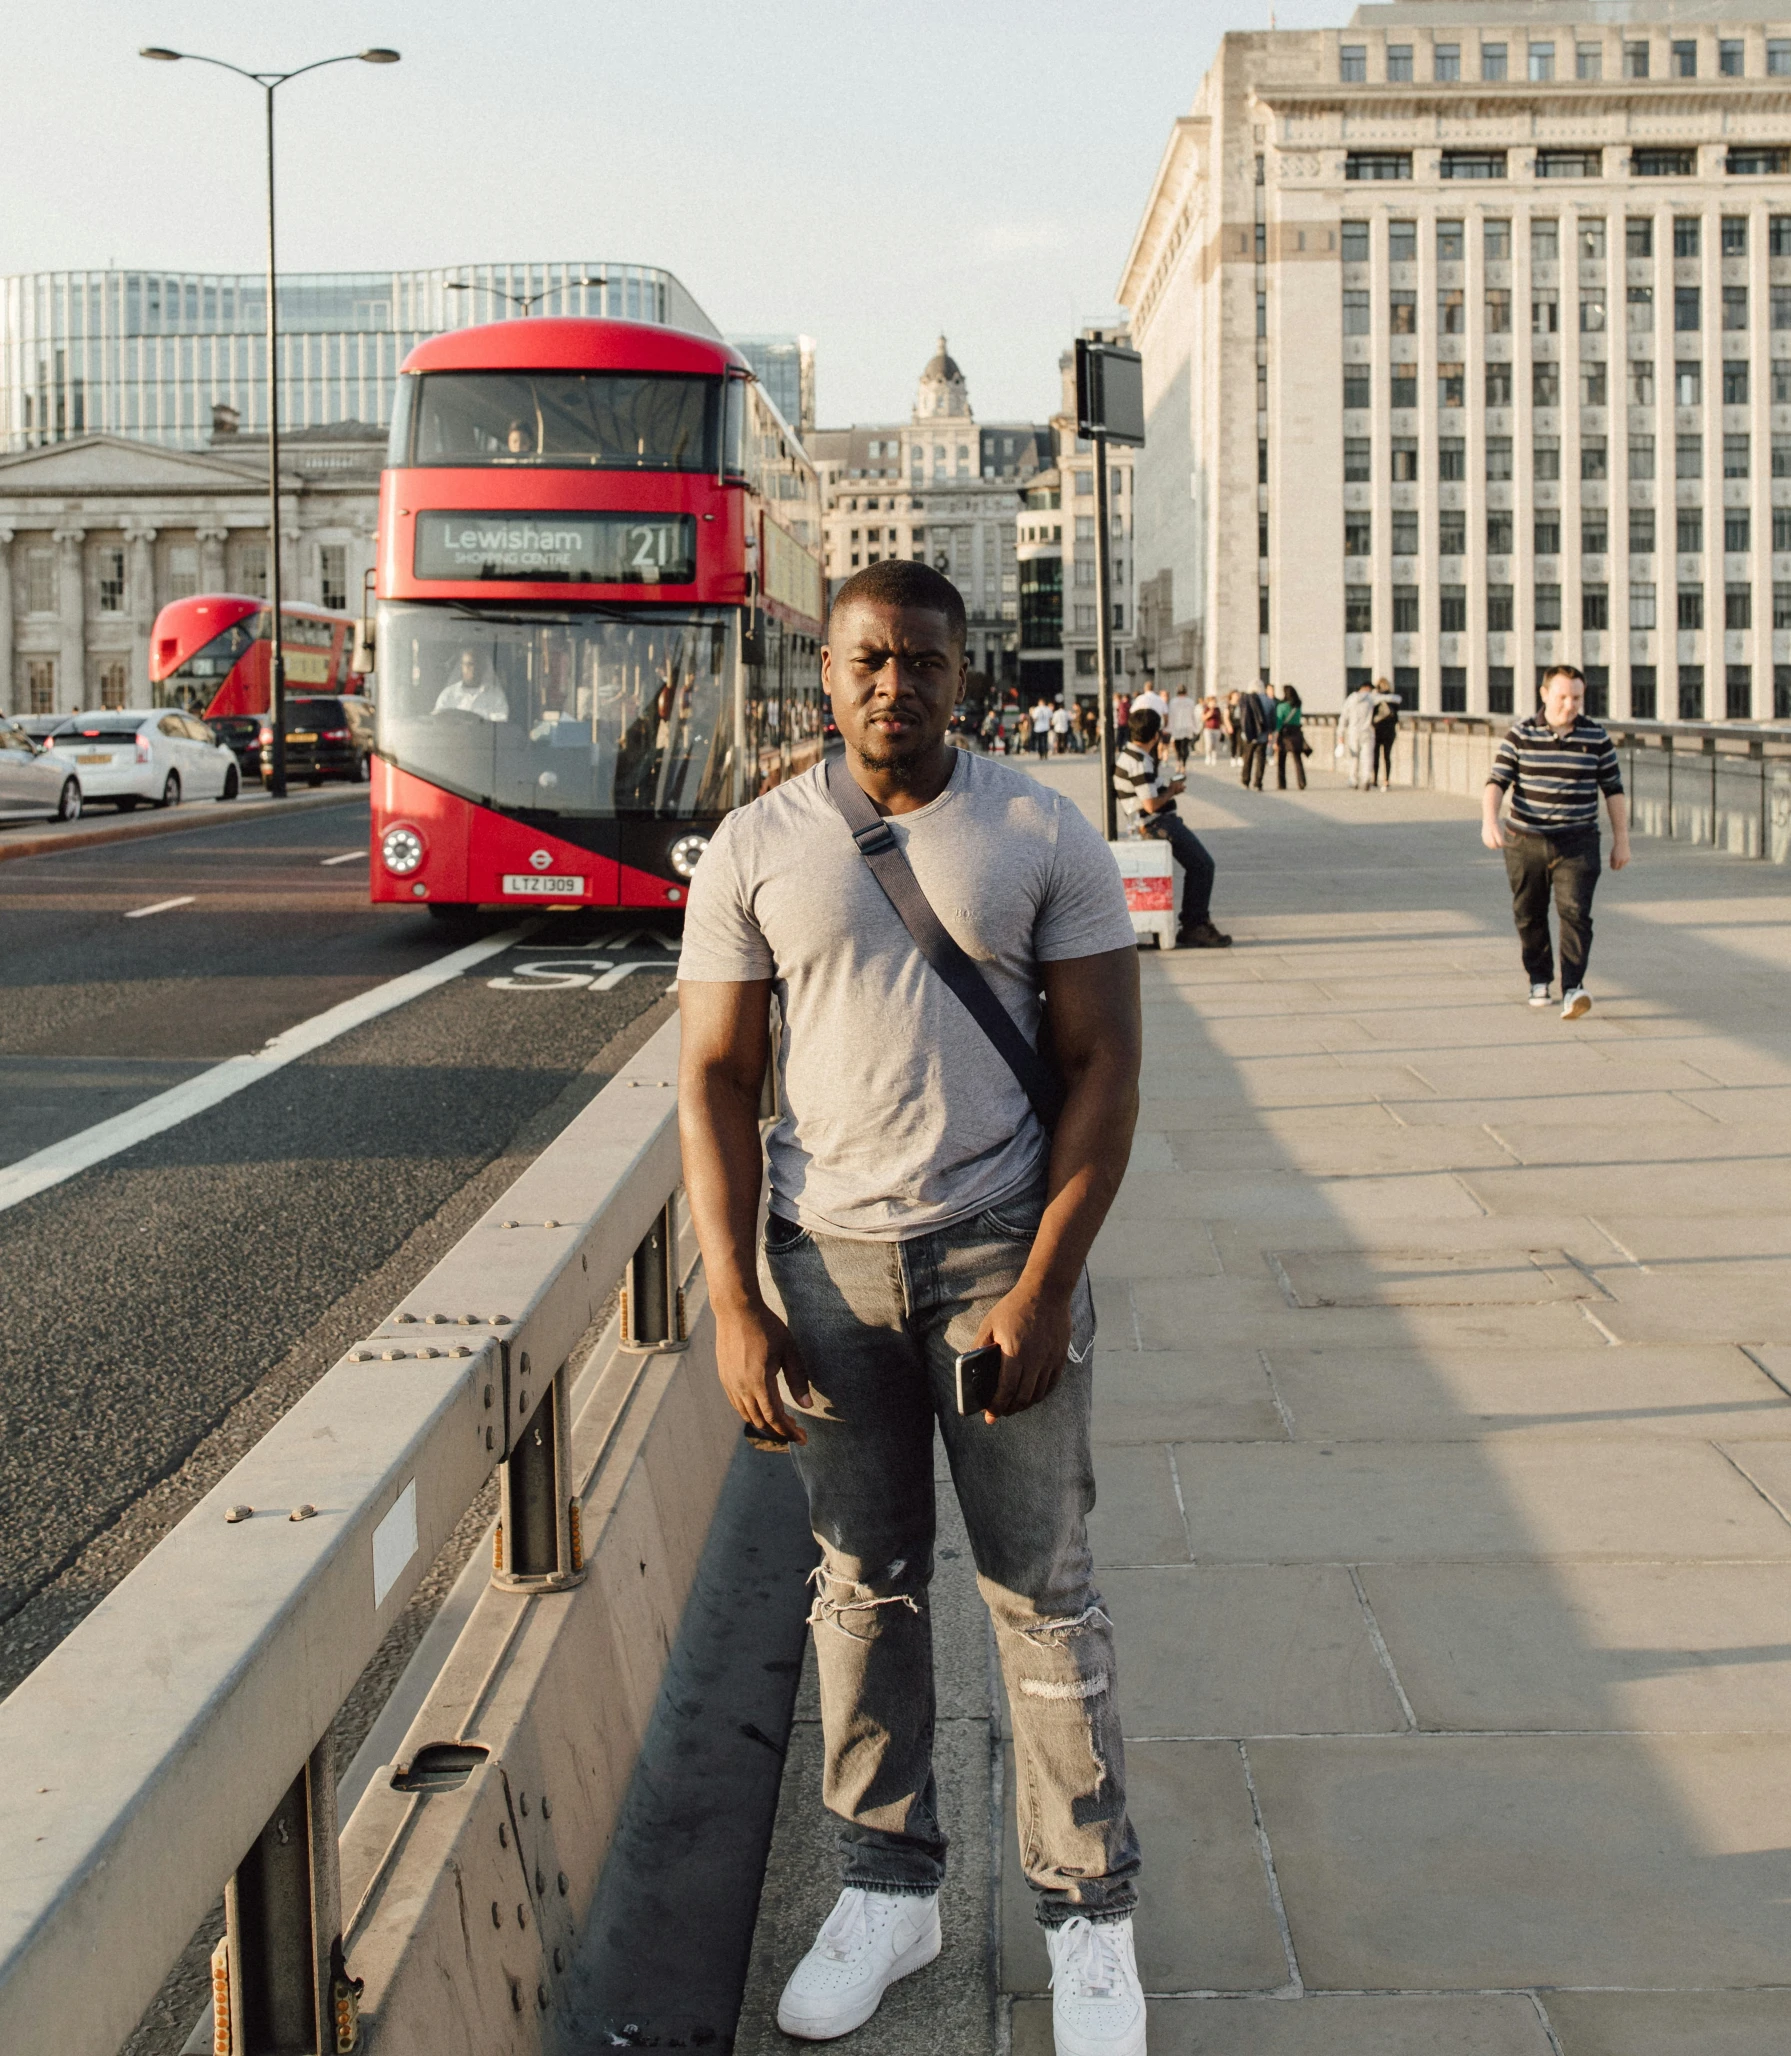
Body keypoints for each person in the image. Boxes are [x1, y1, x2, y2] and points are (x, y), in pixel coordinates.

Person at [677, 559, 1147, 2056]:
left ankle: (1089, 1921)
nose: (897, 686)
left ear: (966, 672)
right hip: (827, 1266)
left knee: (1044, 1594)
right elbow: (714, 1079)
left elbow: (1104, 1072)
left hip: (992, 1253)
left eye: (925, 663)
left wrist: (1045, 1284)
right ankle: (888, 1887)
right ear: (825, 672)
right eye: (869, 660)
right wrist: (734, 1298)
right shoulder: (753, 848)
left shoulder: (1036, 830)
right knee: (860, 1586)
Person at [1482, 662, 1630, 1018]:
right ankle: (1539, 977)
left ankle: (1573, 988)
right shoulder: (1520, 735)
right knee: (1529, 913)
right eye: (1563, 696)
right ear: (1545, 694)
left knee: (1576, 912)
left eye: (1577, 697)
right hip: (1525, 839)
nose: (1570, 704)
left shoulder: (1596, 737)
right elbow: (1496, 782)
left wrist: (1621, 840)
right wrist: (1489, 820)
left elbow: (1613, 790)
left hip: (1577, 841)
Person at [1114, 705, 1231, 949]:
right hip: (1156, 824)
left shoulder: (1132, 755)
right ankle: (1194, 924)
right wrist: (1172, 790)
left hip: (1153, 822)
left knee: (1199, 865)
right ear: (1156, 735)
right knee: (1202, 864)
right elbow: (1150, 803)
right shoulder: (1139, 762)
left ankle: (1194, 923)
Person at [432, 646, 509, 722]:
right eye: (468, 664)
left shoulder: (496, 695)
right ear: (461, 667)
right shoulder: (448, 694)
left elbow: (500, 724)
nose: (473, 669)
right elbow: (438, 721)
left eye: (477, 664)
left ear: (483, 667)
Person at [1336, 678, 1376, 790]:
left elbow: (1343, 718)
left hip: (1353, 731)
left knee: (1354, 757)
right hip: (1367, 731)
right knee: (1366, 756)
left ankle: (1353, 779)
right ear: (1367, 688)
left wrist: (1340, 735)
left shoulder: (1351, 699)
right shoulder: (1370, 699)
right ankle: (1366, 778)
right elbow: (1394, 699)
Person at [1236, 682, 1272, 791]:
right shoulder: (1268, 700)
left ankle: (1245, 780)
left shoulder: (1246, 699)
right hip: (1263, 733)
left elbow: (1239, 716)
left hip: (1249, 734)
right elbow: (1272, 717)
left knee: (1248, 757)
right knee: (1261, 758)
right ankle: (1258, 782)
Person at [1274, 684, 1307, 791]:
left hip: (1285, 734)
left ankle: (1282, 783)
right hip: (1296, 733)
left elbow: (1278, 723)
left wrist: (1275, 738)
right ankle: (1302, 782)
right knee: (1297, 759)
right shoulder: (1298, 706)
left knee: (1281, 760)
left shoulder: (1281, 707)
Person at [1369, 679, 1401, 789]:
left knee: (1376, 755)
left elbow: (1371, 714)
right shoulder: (1394, 699)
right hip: (1390, 730)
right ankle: (1386, 780)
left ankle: (1375, 780)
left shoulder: (1376, 700)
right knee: (1387, 756)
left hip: (1378, 729)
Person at [1167, 686, 1199, 769]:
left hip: (1176, 726)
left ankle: (1178, 761)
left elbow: (1171, 716)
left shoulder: (1173, 702)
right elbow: (1193, 716)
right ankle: (1184, 764)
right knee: (1185, 747)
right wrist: (1195, 727)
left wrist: (1168, 727)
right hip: (1187, 726)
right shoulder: (1190, 702)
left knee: (1177, 746)